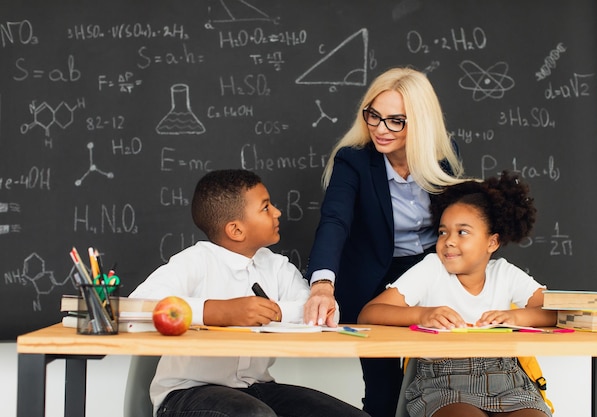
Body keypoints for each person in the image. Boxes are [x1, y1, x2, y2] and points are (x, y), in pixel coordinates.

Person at [130, 169, 370, 417]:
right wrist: (218, 311)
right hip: (187, 393)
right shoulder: (196, 261)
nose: (277, 212)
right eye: (266, 208)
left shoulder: (277, 266)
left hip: (256, 388)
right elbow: (137, 306)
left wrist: (275, 312)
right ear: (236, 230)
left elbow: (316, 310)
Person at [304, 67, 465, 416]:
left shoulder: (444, 153)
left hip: (429, 272)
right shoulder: (355, 160)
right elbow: (335, 221)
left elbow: (457, 219)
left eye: (396, 121)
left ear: (420, 122)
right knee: (383, 389)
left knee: (445, 380)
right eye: (374, 116)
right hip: (371, 281)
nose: (380, 129)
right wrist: (321, 285)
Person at [358, 171, 557, 417]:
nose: (449, 241)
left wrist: (518, 318)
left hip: (508, 379)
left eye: (462, 232)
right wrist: (422, 314)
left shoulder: (504, 274)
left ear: (492, 243)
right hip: (443, 382)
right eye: (443, 232)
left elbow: (560, 311)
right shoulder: (431, 269)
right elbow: (369, 314)